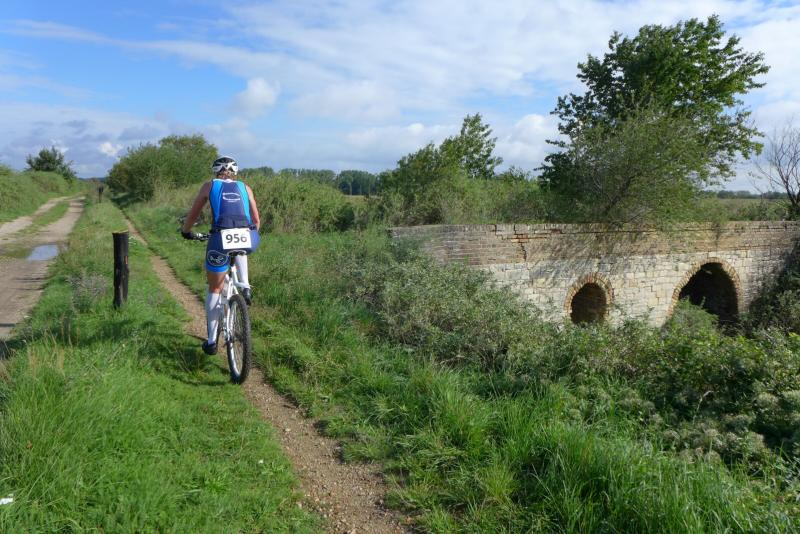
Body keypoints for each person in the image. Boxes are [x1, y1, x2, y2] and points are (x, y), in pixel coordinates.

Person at [180, 156, 260, 355]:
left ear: (216, 171)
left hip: (220, 239)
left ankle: (211, 341)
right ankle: (245, 285)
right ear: (235, 172)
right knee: (241, 245)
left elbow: (193, 215)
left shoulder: (209, 186)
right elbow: (256, 220)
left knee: (215, 287)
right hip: (249, 237)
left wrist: (186, 231)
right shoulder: (245, 187)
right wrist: (249, 234)